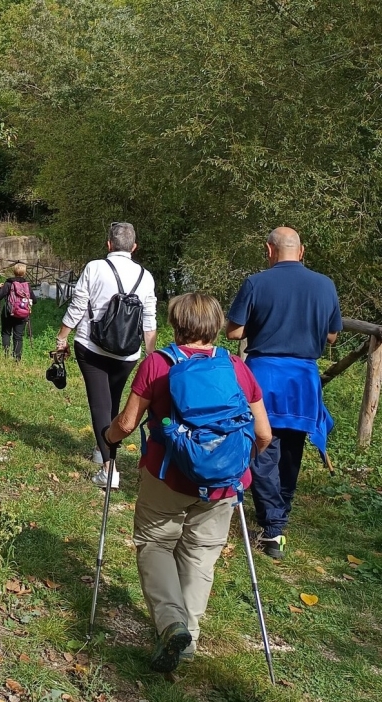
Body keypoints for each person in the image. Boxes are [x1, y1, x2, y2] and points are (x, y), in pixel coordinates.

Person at [103, 292, 272, 673]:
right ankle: (188, 641)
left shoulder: (158, 364)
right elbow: (263, 434)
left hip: (168, 476)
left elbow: (127, 423)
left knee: (156, 544)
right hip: (224, 485)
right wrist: (235, 464)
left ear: (176, 323)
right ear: (216, 325)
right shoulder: (237, 367)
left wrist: (108, 437)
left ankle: (171, 625)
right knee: (201, 554)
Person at [225, 226, 342, 559]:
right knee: (292, 448)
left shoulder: (256, 283)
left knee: (263, 446)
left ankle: (273, 525)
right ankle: (280, 514)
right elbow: (332, 336)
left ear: (269, 250)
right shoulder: (325, 285)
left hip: (265, 376)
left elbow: (234, 331)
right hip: (304, 379)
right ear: (301, 251)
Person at [55, 222, 157, 489]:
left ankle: (109, 469)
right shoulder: (146, 276)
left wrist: (62, 336)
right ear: (134, 247)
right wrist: (151, 355)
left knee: (100, 405)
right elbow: (149, 318)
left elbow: (78, 305)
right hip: (128, 352)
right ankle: (102, 451)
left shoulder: (95, 267)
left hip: (92, 346)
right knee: (112, 400)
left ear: (109, 244)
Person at [0, 263, 32, 360]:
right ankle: (17, 359)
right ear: (24, 273)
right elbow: (34, 300)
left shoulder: (9, 283)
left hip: (8, 312)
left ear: (14, 272)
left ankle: (6, 355)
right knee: (18, 336)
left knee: (6, 333)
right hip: (22, 314)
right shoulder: (27, 285)